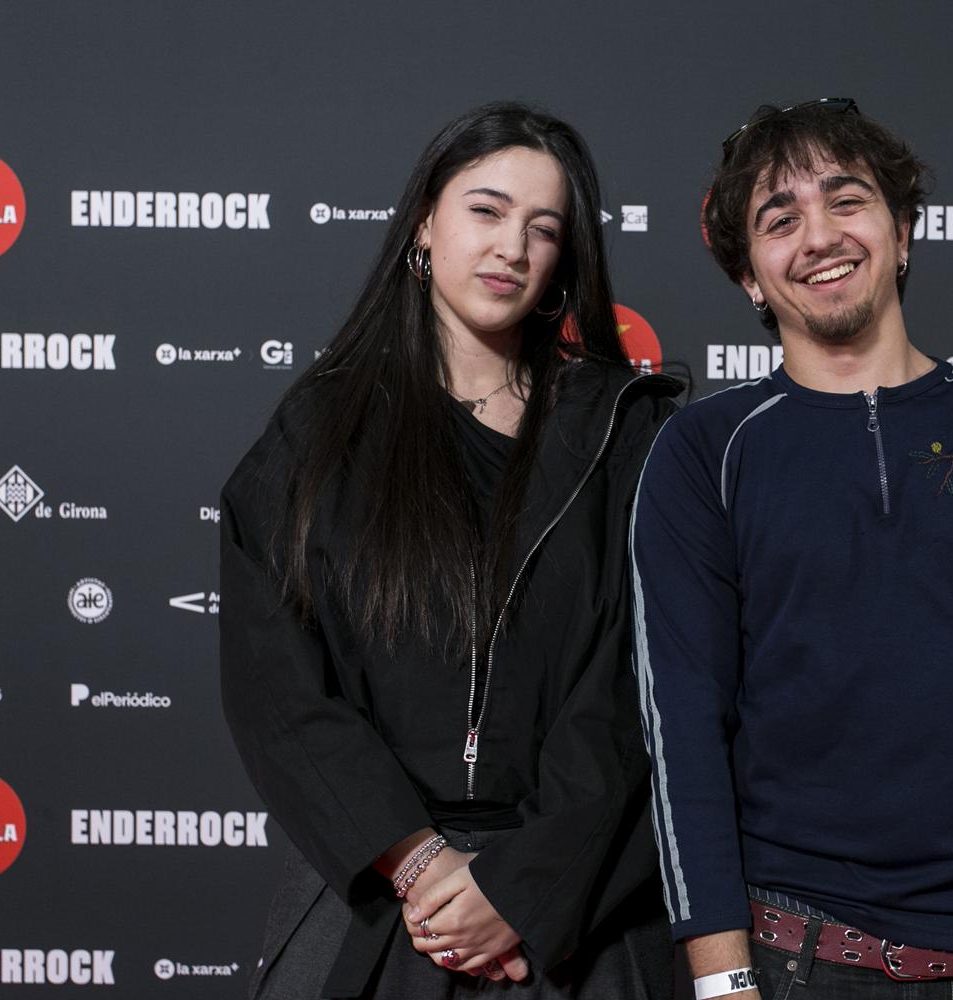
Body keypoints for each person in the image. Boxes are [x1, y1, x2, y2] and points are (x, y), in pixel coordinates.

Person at [630, 99, 953, 1000]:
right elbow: (680, 729)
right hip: (791, 959)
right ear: (750, 276)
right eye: (780, 220)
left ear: (902, 231)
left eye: (847, 201)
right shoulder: (703, 451)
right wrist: (724, 986)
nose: (819, 237)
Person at [220, 102, 679, 999]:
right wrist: (419, 862)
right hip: (381, 910)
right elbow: (275, 679)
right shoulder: (320, 430)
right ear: (425, 224)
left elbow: (639, 689)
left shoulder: (625, 433)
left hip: (573, 923)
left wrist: (519, 888)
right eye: (487, 210)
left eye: (542, 228)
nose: (512, 247)